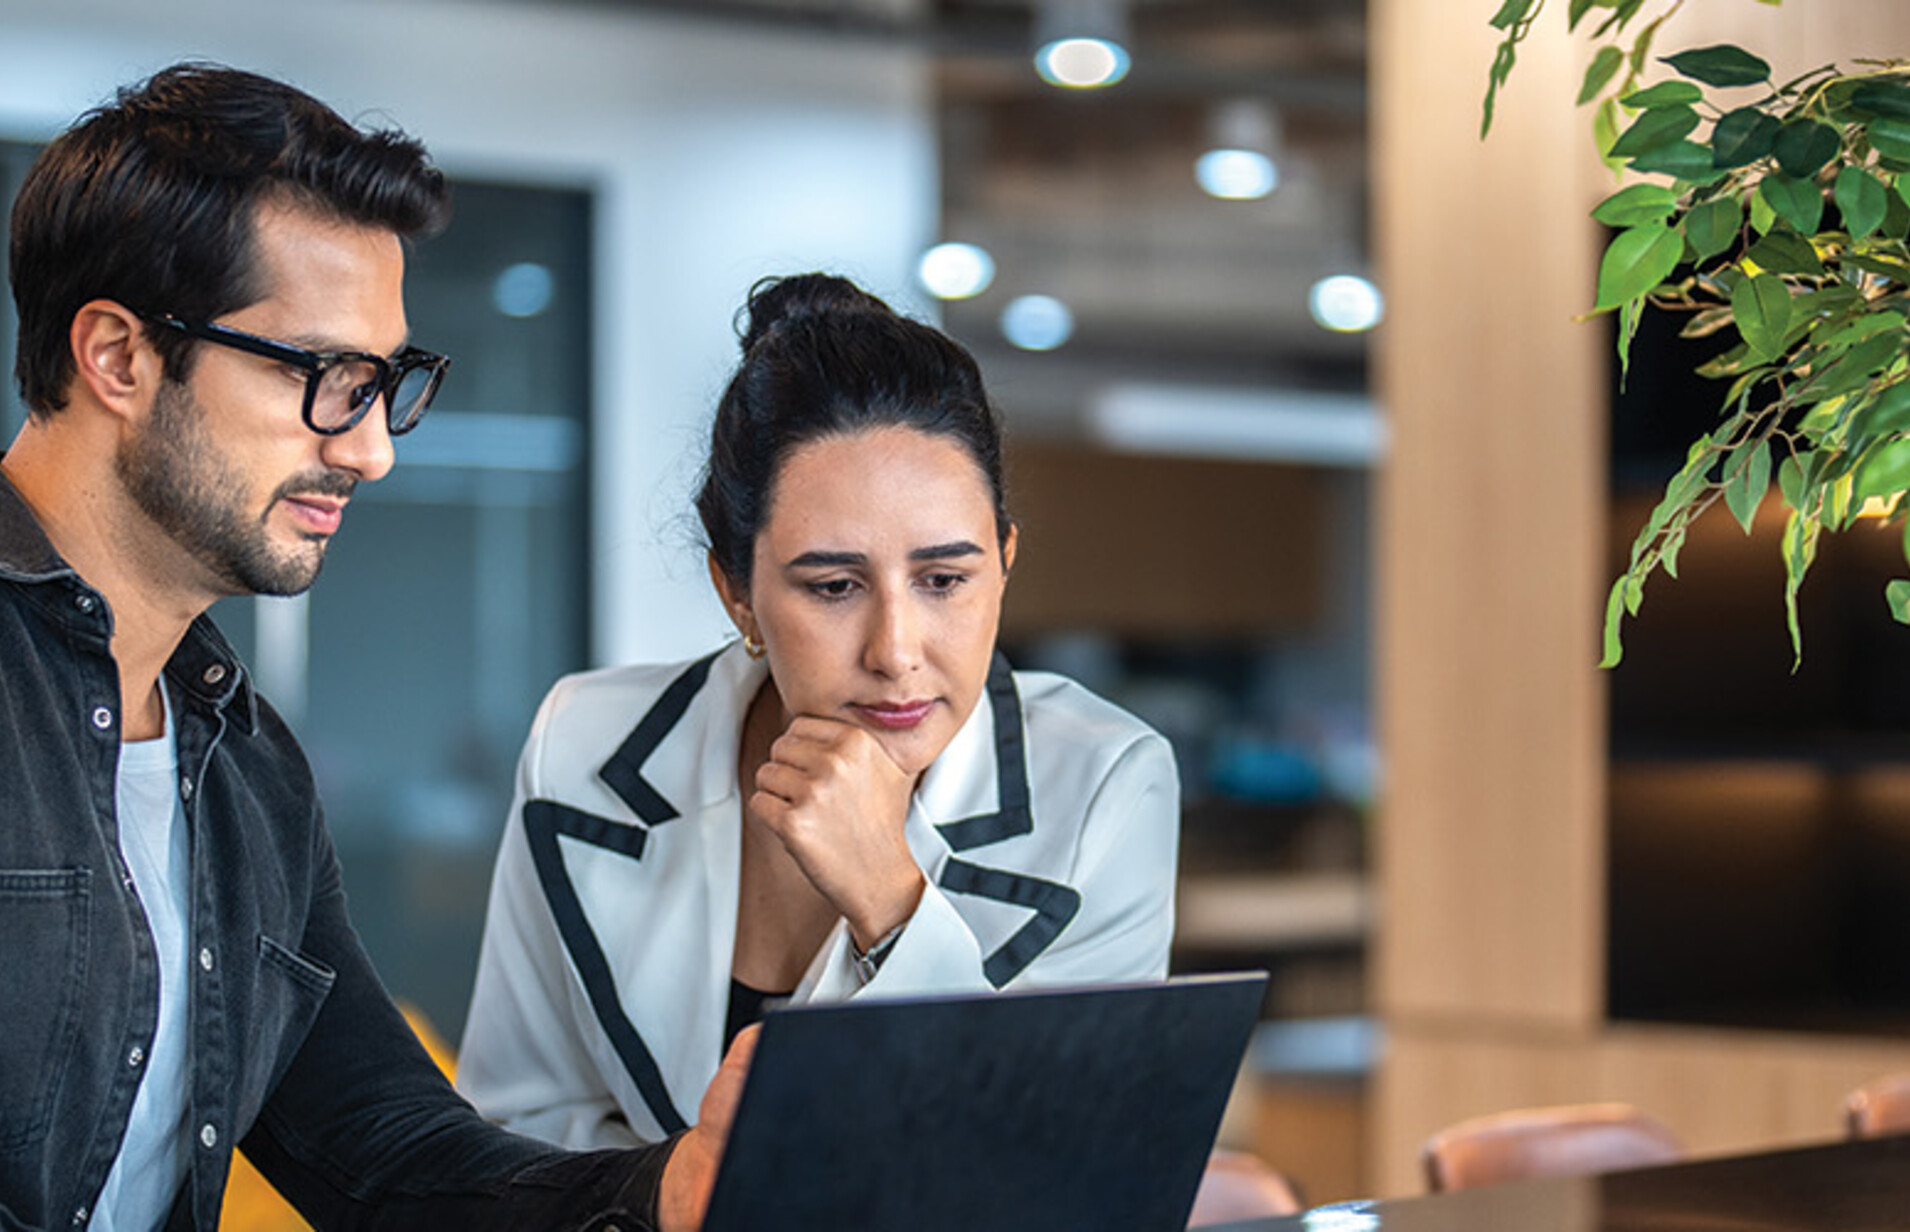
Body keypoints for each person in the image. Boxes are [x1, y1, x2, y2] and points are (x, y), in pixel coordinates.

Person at [0, 62, 743, 1230]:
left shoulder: (245, 769)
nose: (370, 450)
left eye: (383, 383)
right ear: (120, 356)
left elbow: (380, 1150)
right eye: (323, 378)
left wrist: (663, 1189)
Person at [457, 273, 1179, 1147]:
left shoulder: (1107, 781)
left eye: (946, 581)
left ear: (1005, 561)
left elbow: (1060, 1166)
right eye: (835, 587)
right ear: (738, 594)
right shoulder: (584, 742)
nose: (896, 650)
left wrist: (891, 901)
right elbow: (519, 1132)